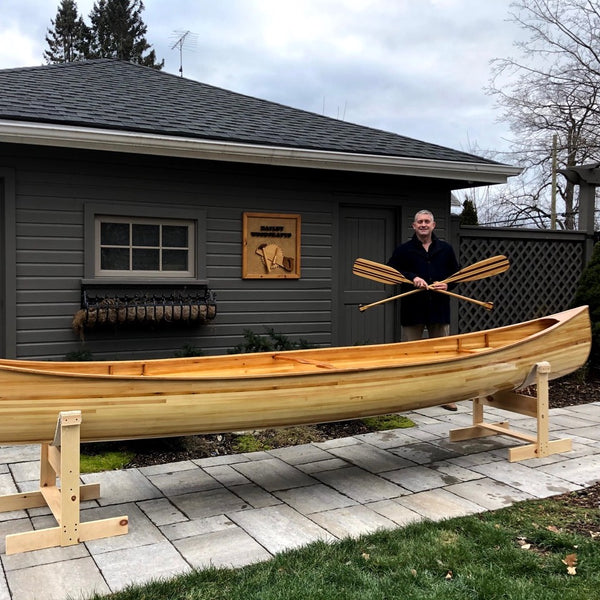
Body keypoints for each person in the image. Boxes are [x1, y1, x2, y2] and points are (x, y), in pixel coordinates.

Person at [387, 209, 459, 411]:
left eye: (427, 221)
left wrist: (447, 285)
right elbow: (391, 271)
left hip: (439, 308)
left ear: (433, 225)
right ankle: (411, 396)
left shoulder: (445, 249)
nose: (423, 225)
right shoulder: (404, 250)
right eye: (420, 221)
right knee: (411, 354)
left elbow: (456, 275)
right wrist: (412, 278)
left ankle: (445, 396)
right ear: (414, 226)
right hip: (413, 308)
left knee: (442, 353)